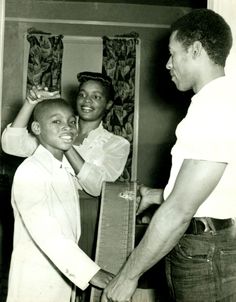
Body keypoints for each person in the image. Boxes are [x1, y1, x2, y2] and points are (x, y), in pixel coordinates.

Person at [101, 8, 236, 302]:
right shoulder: (223, 100)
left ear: (196, 50)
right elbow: (207, 192)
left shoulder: (212, 108)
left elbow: (181, 210)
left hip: (204, 254)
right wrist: (156, 195)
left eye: (173, 54)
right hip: (211, 246)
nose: (167, 64)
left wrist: (127, 277)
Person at [6, 98, 114, 302]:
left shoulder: (63, 169)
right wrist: (91, 273)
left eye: (72, 122)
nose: (68, 127)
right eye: (56, 121)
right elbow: (47, 233)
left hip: (61, 274)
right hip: (36, 277)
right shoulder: (30, 171)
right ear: (37, 128)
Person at [1, 72, 130, 197]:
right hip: (43, 205)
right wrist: (30, 103)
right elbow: (11, 146)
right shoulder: (53, 130)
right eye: (82, 94)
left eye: (96, 97)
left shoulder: (117, 144)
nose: (87, 101)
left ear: (108, 104)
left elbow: (99, 187)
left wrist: (66, 144)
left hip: (85, 212)